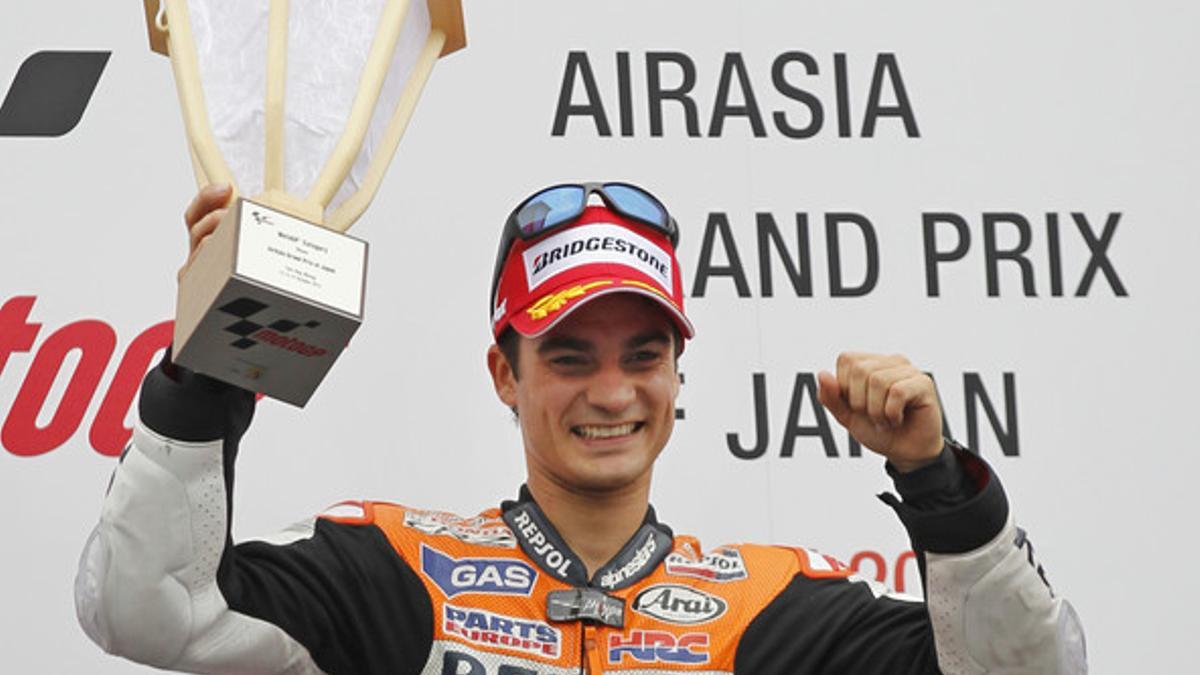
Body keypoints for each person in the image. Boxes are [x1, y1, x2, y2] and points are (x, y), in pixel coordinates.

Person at [75, 181, 1086, 674]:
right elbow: (146, 606)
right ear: (503, 376)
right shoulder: (389, 567)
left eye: (642, 354)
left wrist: (939, 483)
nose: (612, 391)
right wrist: (213, 360)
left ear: (677, 374)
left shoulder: (780, 609)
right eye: (568, 356)